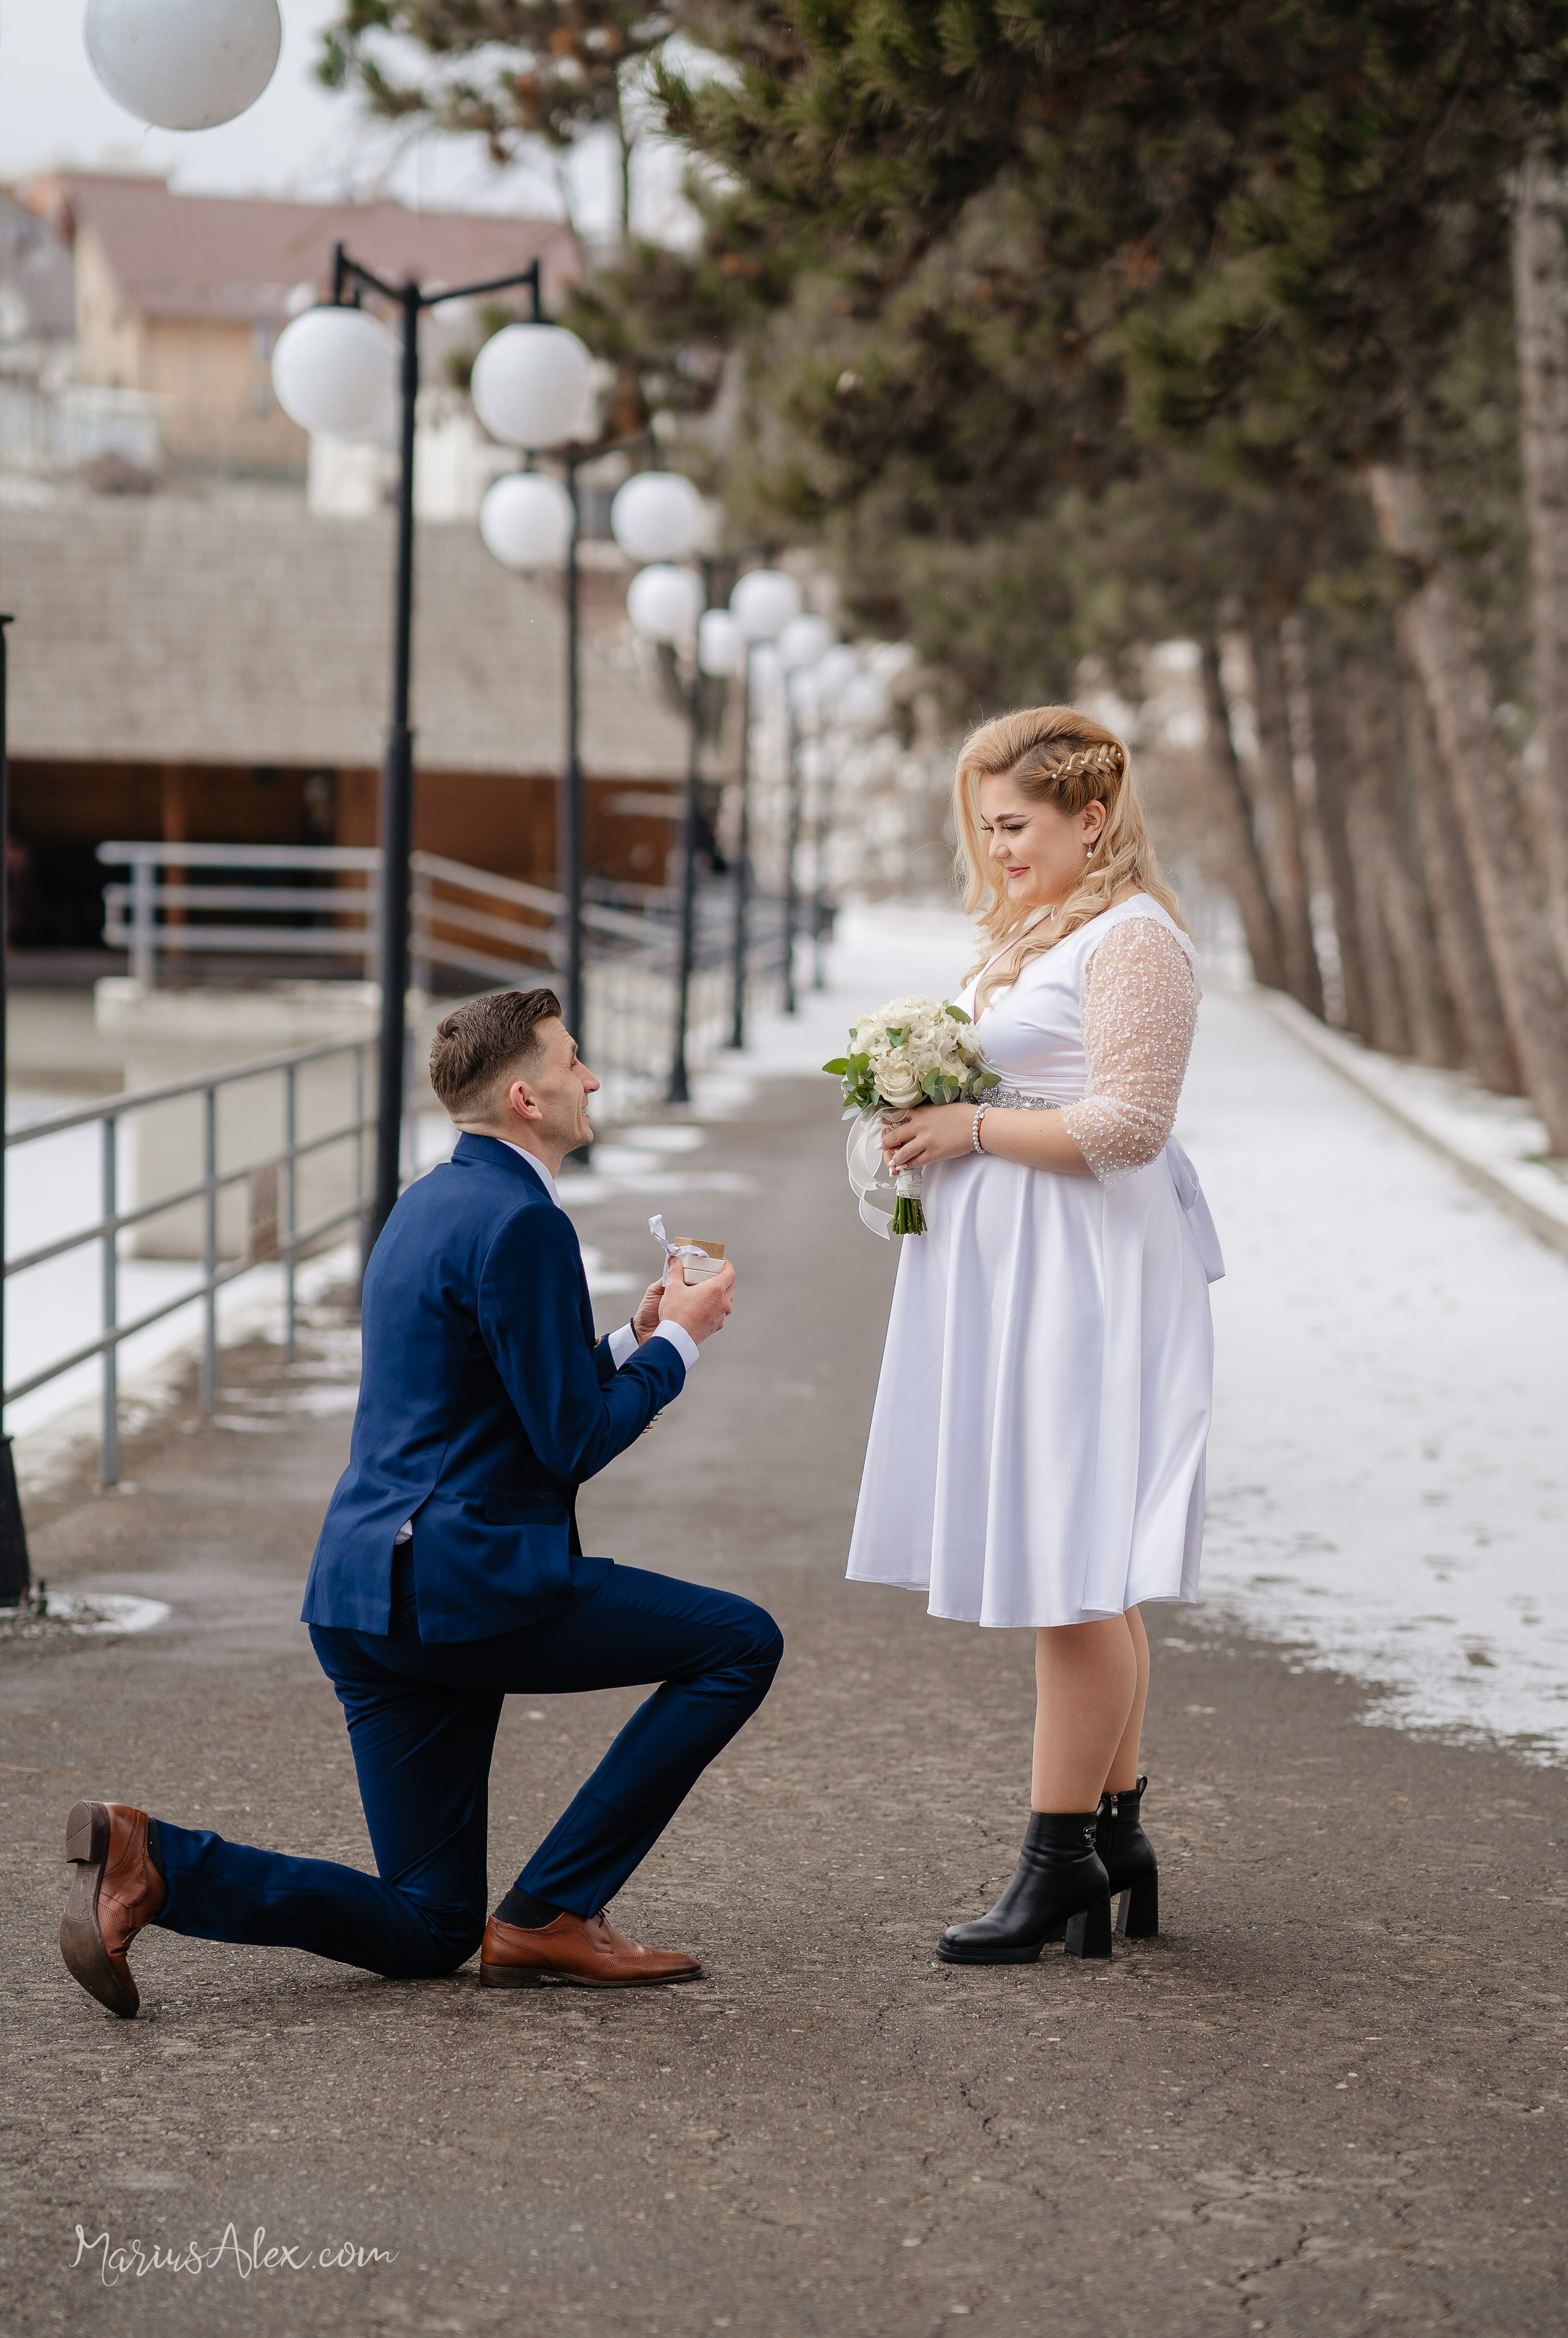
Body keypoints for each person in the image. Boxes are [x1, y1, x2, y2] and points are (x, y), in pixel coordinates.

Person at [59, 988, 782, 2015]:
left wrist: (632, 1335)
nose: (594, 1079)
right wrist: (680, 1347)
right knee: (739, 1643)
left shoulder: (427, 1200)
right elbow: (571, 1441)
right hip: (463, 1590)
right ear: (527, 1097)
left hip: (364, 1595)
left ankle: (154, 1862)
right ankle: (551, 1913)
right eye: (575, 1061)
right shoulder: (525, 1222)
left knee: (430, 1925)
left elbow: (492, 1397)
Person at [846, 706, 1224, 1964]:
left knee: (1071, 1572)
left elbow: (1126, 1125)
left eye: (1013, 825)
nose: (995, 847)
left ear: (1090, 820)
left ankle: (1056, 1857)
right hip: (1023, 1280)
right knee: (1080, 1567)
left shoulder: (1133, 943)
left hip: (1087, 1287)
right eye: (984, 827)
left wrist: (966, 1131)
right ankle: (1113, 1837)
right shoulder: (1036, 934)